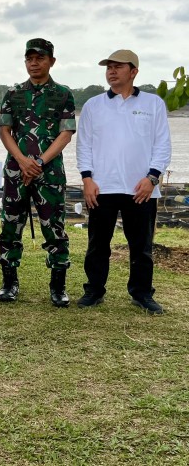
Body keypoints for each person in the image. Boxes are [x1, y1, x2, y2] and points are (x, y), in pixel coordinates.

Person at [76, 49, 171, 314]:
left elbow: (162, 144)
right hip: (101, 187)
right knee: (97, 245)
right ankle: (94, 290)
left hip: (140, 188)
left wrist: (152, 178)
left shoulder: (153, 104)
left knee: (141, 247)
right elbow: (84, 146)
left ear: (134, 71)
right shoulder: (94, 105)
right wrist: (87, 179)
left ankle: (142, 293)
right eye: (109, 67)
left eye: (118, 66)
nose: (112, 71)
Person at [0, 38, 76, 307]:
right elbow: (4, 131)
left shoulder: (63, 93)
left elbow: (66, 133)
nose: (34, 63)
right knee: (10, 226)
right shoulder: (14, 93)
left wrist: (39, 162)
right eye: (29, 58)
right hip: (16, 171)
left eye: (40, 58)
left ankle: (58, 285)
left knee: (54, 228)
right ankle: (9, 282)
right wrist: (22, 160)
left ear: (51, 61)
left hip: (49, 173)